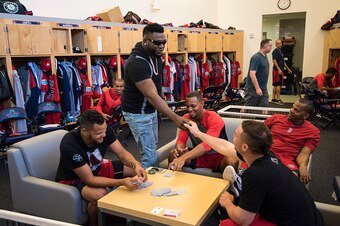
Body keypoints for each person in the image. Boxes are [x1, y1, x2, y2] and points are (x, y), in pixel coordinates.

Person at [184, 120, 323, 226]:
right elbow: (224, 146)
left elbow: (243, 219)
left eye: (235, 135)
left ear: (244, 147)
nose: (233, 137)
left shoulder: (255, 174)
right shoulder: (267, 155)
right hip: (310, 218)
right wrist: (197, 133)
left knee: (227, 223)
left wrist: (227, 202)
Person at [55, 110, 147, 226]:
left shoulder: (103, 130)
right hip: (73, 179)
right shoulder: (69, 144)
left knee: (134, 170)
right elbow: (90, 180)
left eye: (104, 131)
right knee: (100, 194)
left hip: (97, 168)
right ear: (84, 131)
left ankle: (134, 212)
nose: (104, 135)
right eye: (99, 133)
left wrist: (136, 165)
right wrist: (123, 182)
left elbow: (122, 153)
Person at [121, 23, 188, 168]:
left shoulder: (156, 55)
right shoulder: (136, 63)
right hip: (137, 112)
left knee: (152, 146)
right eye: (157, 42)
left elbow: (156, 82)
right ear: (145, 41)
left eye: (164, 42)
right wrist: (175, 117)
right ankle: (145, 183)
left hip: (150, 109)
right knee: (150, 155)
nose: (161, 46)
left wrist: (162, 95)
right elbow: (151, 95)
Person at [168, 91, 238, 172]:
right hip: (199, 156)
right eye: (187, 106)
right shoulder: (186, 118)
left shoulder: (214, 118)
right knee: (172, 155)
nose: (190, 109)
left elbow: (207, 146)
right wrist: (179, 149)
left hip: (218, 156)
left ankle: (232, 184)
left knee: (232, 162)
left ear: (202, 103)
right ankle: (176, 182)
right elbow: (181, 140)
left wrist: (183, 157)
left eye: (193, 106)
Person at [264, 98, 320, 184]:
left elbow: (304, 153)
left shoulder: (313, 132)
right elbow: (258, 134)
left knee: (290, 182)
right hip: (265, 155)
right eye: (292, 107)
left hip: (287, 161)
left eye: (296, 110)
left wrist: (302, 166)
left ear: (305, 116)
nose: (291, 111)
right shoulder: (275, 118)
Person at [244, 39, 272, 107]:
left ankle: (262, 118)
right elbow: (252, 74)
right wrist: (257, 88)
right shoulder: (256, 57)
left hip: (263, 88)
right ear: (265, 46)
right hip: (253, 89)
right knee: (248, 109)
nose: (271, 47)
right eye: (270, 45)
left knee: (264, 107)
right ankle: (241, 117)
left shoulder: (265, 56)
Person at [272, 39, 292, 105]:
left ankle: (274, 98)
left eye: (280, 43)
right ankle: (277, 99)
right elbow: (274, 61)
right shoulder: (275, 51)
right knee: (278, 84)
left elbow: (283, 62)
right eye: (278, 43)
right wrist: (279, 69)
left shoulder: (280, 51)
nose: (280, 44)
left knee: (276, 84)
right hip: (277, 70)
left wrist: (288, 69)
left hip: (280, 70)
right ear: (275, 44)